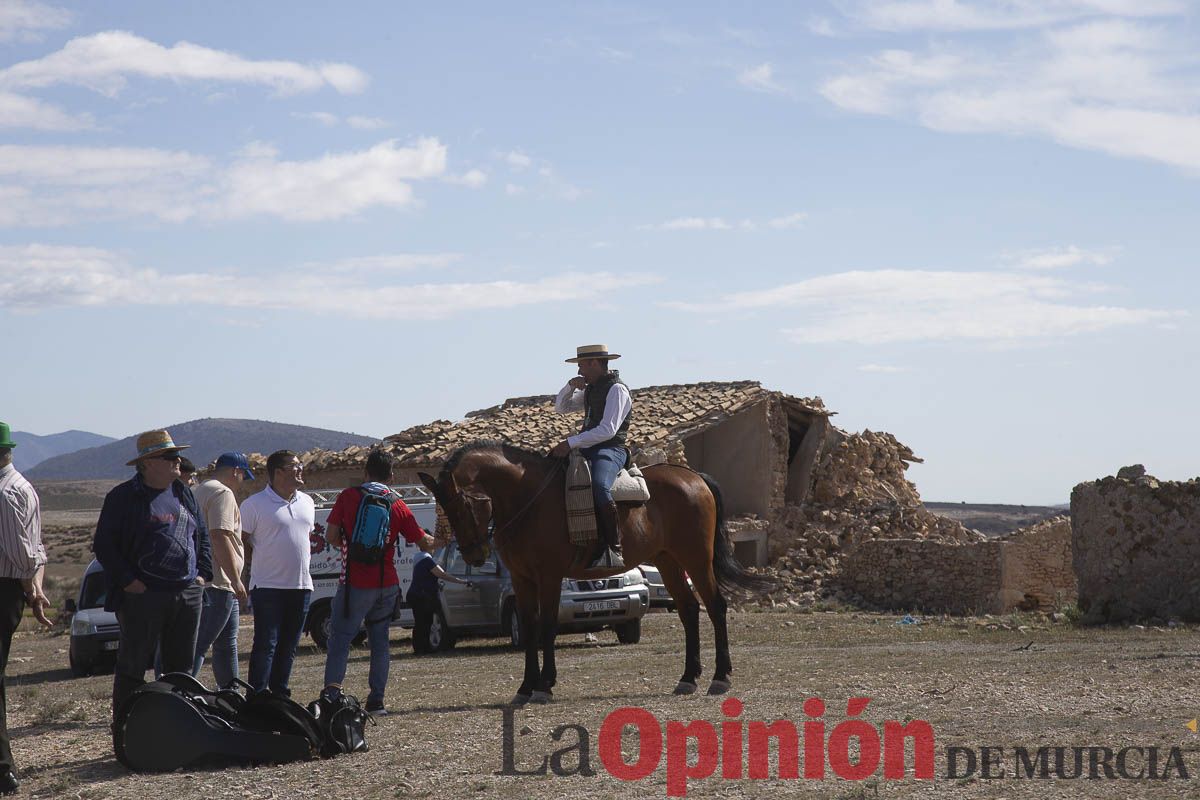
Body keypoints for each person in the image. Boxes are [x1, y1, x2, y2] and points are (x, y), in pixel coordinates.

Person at [93, 429, 212, 723]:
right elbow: (104, 545)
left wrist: (203, 575)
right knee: (133, 668)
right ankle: (126, 727)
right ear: (147, 463)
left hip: (186, 593)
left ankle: (175, 728)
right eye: (170, 456)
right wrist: (129, 582)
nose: (178, 461)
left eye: (177, 455)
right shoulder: (123, 497)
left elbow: (202, 535)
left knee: (181, 672)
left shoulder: (183, 492)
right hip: (142, 597)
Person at [320, 450, 429, 715]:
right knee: (380, 643)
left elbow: (331, 535)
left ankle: (332, 698)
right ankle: (377, 701)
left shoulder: (348, 496)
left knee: (340, 641)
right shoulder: (398, 504)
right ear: (391, 476)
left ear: (365, 472)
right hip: (387, 583)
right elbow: (424, 542)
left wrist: (350, 546)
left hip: (354, 583)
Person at [0, 423, 51, 796]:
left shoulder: (4, 493)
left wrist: (29, 585)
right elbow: (35, 550)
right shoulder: (23, 487)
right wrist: (35, 588)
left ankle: (4, 769)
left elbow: (20, 558)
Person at [551, 344, 633, 568]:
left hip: (611, 450)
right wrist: (569, 387)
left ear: (595, 363)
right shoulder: (591, 390)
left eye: (581, 366)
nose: (579, 372)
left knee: (598, 485)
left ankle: (614, 548)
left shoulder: (617, 390)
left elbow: (608, 430)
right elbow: (561, 408)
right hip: (586, 447)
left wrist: (571, 442)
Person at [240, 450, 313, 696]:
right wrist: (259, 561)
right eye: (295, 465)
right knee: (265, 645)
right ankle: (257, 697)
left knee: (289, 646)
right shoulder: (253, 504)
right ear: (278, 472)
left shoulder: (307, 502)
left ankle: (280, 695)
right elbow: (241, 542)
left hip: (301, 586)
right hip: (268, 587)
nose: (301, 468)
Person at [190, 452, 253, 689]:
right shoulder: (223, 493)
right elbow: (220, 535)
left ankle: (231, 693)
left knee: (227, 642)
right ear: (236, 470)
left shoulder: (200, 490)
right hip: (219, 581)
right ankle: (177, 694)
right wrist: (236, 580)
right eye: (243, 476)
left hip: (209, 579)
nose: (242, 482)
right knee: (200, 644)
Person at [406, 533, 470, 655]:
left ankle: (420, 648)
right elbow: (442, 574)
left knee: (420, 623)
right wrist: (461, 581)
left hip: (416, 595)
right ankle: (423, 648)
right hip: (422, 596)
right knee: (424, 623)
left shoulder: (418, 557)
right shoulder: (426, 560)